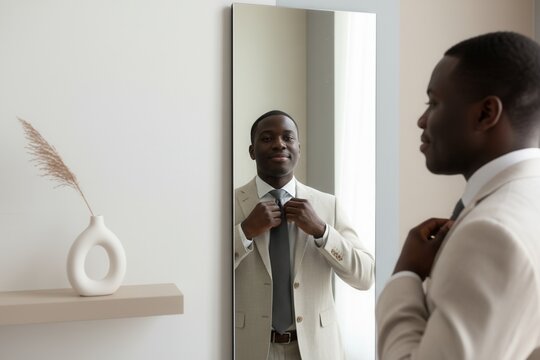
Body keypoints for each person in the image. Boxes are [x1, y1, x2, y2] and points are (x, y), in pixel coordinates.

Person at [376, 31, 540, 359]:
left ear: (485, 114)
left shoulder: (491, 233)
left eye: (433, 102)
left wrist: (405, 274)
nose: (422, 119)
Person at [234, 110, 374, 360]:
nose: (279, 144)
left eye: (288, 138)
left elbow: (364, 276)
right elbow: (203, 276)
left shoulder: (327, 205)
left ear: (299, 147)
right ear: (252, 151)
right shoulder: (229, 204)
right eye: (267, 138)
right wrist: (245, 232)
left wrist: (322, 232)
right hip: (249, 349)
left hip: (317, 349)